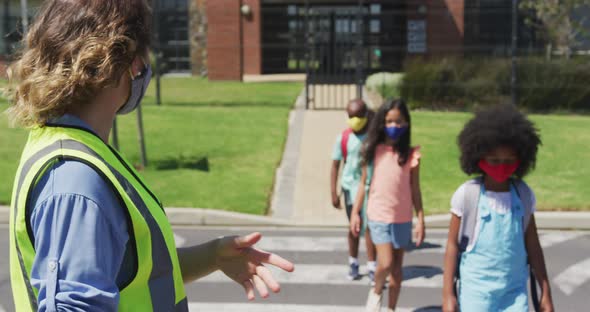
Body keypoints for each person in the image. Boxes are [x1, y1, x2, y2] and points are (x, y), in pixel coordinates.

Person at [4, 1, 294, 311]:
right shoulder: (74, 178)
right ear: (119, 60)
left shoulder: (75, 150)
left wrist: (212, 255)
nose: (145, 65)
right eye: (141, 54)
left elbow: (133, 275)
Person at [442, 105, 554, 312]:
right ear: (478, 158)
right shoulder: (467, 195)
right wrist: (448, 295)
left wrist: (545, 291)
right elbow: (451, 246)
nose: (501, 166)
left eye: (509, 161)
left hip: (514, 294)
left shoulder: (523, 195)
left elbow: (534, 247)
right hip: (476, 295)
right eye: (494, 161)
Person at [350, 99, 426, 312]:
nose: (394, 126)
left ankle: (391, 308)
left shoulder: (411, 155)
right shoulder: (373, 151)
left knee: (398, 272)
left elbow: (415, 190)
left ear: (407, 123)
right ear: (382, 123)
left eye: (399, 122)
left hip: (401, 218)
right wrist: (356, 212)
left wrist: (420, 219)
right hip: (378, 215)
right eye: (389, 121)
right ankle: (376, 291)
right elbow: (363, 184)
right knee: (385, 263)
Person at [330, 99, 377, 282]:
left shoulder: (373, 138)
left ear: (366, 116)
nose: (355, 119)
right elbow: (335, 165)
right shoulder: (343, 138)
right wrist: (333, 192)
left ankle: (372, 264)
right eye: (351, 116)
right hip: (350, 188)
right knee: (354, 227)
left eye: (358, 116)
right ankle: (353, 261)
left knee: (369, 227)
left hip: (369, 188)